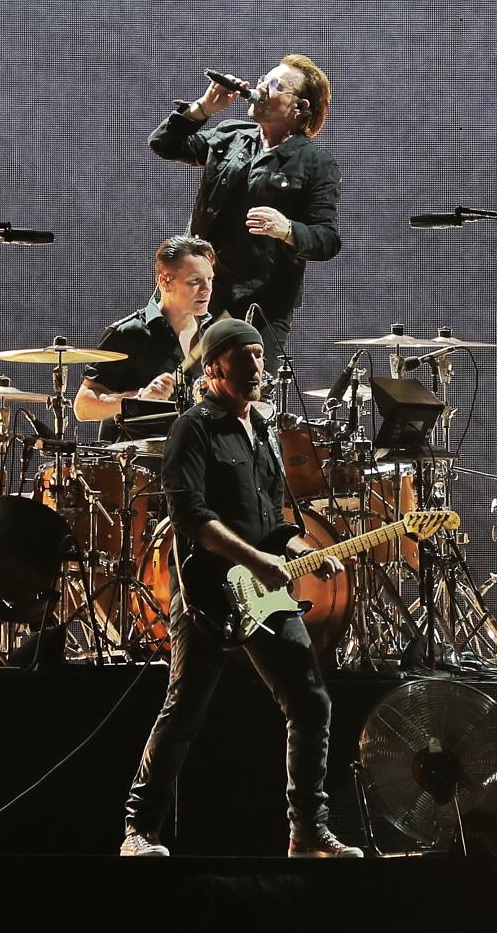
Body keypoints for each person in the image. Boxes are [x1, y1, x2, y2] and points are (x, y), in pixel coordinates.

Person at [119, 317, 361, 858]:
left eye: (259, 355)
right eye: (244, 357)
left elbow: (270, 520)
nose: (258, 365)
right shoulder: (194, 428)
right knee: (184, 708)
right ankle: (138, 831)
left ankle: (307, 831)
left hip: (265, 588)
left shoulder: (266, 432)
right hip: (207, 589)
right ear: (212, 371)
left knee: (310, 701)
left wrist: (299, 553)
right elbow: (192, 516)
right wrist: (256, 559)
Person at [149, 54, 340, 357]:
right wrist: (203, 108)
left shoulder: (317, 164)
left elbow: (327, 240)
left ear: (300, 107)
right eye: (263, 79)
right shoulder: (230, 135)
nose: (262, 87)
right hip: (200, 292)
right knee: (182, 388)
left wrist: (287, 229)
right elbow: (163, 144)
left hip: (260, 303)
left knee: (249, 395)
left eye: (275, 85)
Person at [73, 235, 216, 441]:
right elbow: (83, 406)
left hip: (195, 458)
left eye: (209, 279)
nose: (207, 289)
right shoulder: (130, 333)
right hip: (139, 463)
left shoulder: (213, 333)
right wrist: (141, 398)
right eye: (195, 281)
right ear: (165, 282)